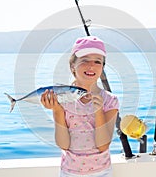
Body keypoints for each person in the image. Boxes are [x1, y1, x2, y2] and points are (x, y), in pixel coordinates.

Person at [41, 36, 119, 177]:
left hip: (102, 172)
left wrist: (98, 112)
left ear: (102, 68)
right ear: (72, 66)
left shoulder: (110, 101)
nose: (91, 66)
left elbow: (103, 145)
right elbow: (63, 144)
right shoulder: (62, 99)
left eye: (97, 61)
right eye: (84, 60)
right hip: (69, 172)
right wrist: (58, 110)